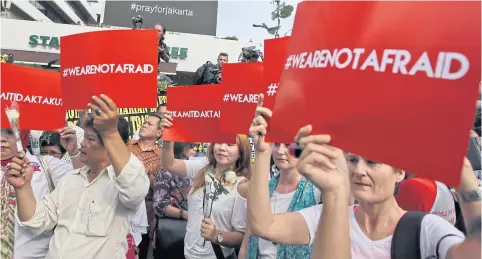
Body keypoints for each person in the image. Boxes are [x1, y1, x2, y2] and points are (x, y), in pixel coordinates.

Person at [247, 94, 481, 259]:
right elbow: (263, 225)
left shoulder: (425, 230)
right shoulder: (327, 215)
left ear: (399, 171)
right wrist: (261, 153)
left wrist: (467, 185)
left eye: (372, 162)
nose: (359, 170)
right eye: (352, 160)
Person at [5, 95, 150, 259]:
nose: (82, 143)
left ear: (110, 145)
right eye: (84, 137)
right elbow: (37, 221)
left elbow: (135, 189)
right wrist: (23, 188)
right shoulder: (70, 180)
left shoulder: (122, 184)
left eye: (90, 139)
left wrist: (109, 132)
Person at [160, 111, 251, 259]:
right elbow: (168, 163)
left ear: (241, 153)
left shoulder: (242, 186)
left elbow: (241, 237)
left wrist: (217, 236)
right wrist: (168, 137)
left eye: (230, 144)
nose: (222, 148)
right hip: (189, 253)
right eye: (219, 142)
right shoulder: (203, 167)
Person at [239, 141, 323, 259]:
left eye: (288, 145)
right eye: (277, 144)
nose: (280, 151)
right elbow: (247, 240)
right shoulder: (262, 189)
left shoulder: (316, 191)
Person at [1, 128, 73, 259]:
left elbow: (83, 182)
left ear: (23, 134)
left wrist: (75, 154)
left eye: (10, 132)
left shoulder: (47, 164)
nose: (2, 139)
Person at [127, 114, 163, 259]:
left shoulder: (161, 157)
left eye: (150, 124)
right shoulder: (126, 145)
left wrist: (151, 181)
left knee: (137, 253)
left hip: (144, 217)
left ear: (159, 133)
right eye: (144, 122)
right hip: (117, 210)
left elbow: (162, 192)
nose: (144, 125)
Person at [152, 142, 196, 259]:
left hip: (196, 232)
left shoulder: (200, 170)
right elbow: (159, 205)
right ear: (181, 147)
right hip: (171, 232)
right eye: (191, 146)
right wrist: (184, 214)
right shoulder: (166, 171)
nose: (195, 149)